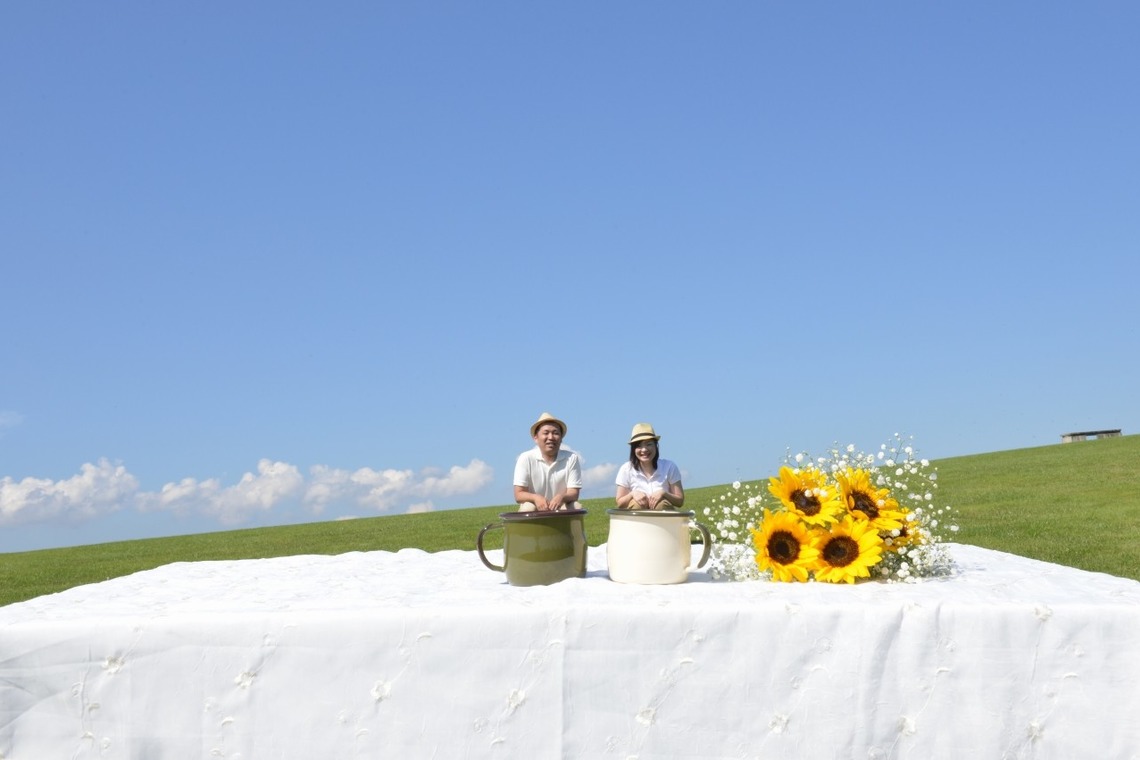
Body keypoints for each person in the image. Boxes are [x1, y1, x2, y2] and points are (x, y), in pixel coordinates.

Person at [513, 412, 583, 512]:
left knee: (576, 506)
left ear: (561, 438)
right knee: (527, 507)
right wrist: (536, 498)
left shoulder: (571, 458)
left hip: (561, 507)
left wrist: (561, 497)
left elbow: (574, 493)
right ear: (536, 438)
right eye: (546, 433)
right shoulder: (525, 458)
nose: (550, 437)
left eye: (555, 433)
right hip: (535, 507)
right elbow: (518, 494)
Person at [615, 423, 685, 510]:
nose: (644, 450)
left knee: (661, 504)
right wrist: (632, 494)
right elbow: (619, 503)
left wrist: (663, 493)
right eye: (639, 446)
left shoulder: (669, 466)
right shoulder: (626, 469)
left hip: (663, 522)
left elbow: (679, 501)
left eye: (649, 444)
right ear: (633, 449)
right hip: (636, 522)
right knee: (636, 505)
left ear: (656, 446)